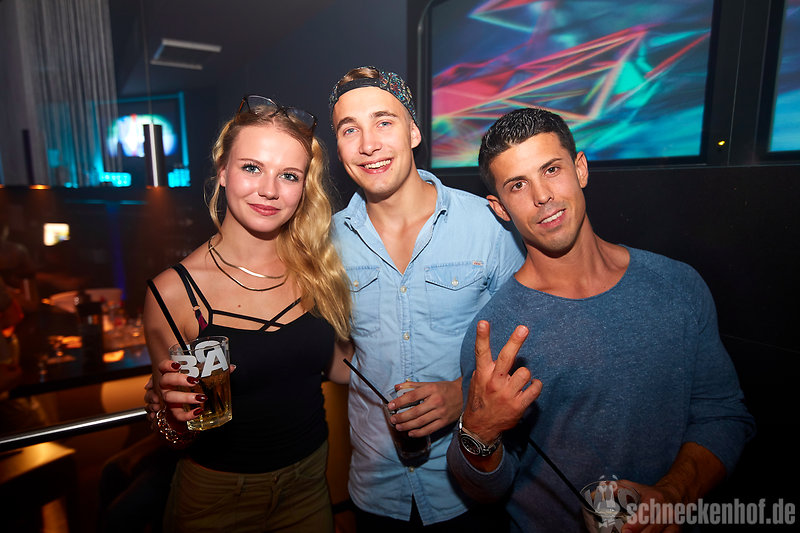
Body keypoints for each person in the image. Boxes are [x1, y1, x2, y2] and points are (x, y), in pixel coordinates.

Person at [446, 107, 756, 532]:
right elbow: (485, 491)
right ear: (500, 209)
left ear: (580, 169)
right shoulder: (495, 332)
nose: (542, 196)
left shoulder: (677, 285)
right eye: (518, 185)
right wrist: (479, 433)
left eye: (551, 170)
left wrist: (672, 495)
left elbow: (722, 414)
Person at [143, 95, 353, 533]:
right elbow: (176, 433)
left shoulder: (319, 268)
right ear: (222, 171)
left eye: (289, 175)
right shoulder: (173, 292)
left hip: (310, 484)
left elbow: (339, 367)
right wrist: (172, 416)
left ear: (304, 188)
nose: (269, 190)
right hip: (217, 501)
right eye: (252, 168)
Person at [328, 66, 525, 530]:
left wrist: (464, 395)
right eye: (349, 130)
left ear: (414, 132)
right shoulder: (327, 241)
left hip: (466, 486)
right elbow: (334, 354)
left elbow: (533, 339)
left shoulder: (487, 225)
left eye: (384, 122)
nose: (368, 144)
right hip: (374, 491)